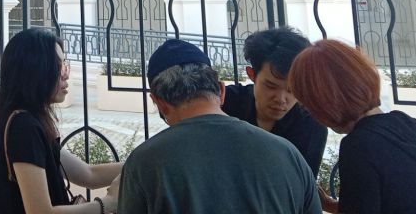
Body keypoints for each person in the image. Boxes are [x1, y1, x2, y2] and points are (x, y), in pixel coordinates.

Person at [118, 38, 320, 214]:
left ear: (159, 102)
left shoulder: (144, 163)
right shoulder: (289, 154)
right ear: (221, 91)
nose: (281, 99)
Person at [288, 39, 416, 214]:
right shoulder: (415, 126)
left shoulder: (359, 145)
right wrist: (329, 204)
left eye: (309, 106)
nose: (313, 116)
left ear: (325, 101)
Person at [0, 27, 122, 214]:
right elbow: (40, 211)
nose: (66, 74)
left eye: (65, 65)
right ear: (35, 72)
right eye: (58, 67)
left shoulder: (29, 122)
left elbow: (89, 174)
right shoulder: (23, 127)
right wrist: (106, 204)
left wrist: (143, 164)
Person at [222, 27, 328, 176]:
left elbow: (303, 184)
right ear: (252, 75)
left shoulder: (311, 125)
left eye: (292, 89)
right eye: (271, 86)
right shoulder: (224, 103)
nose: (280, 99)